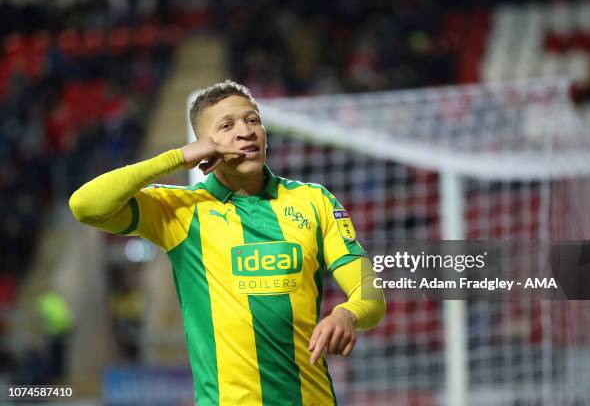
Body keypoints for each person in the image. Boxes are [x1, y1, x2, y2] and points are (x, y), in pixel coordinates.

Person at [69, 80, 385, 405]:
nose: (246, 131)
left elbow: (371, 294)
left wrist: (347, 314)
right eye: (226, 125)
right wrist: (177, 158)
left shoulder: (314, 201)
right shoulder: (179, 211)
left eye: (252, 120)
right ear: (204, 143)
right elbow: (86, 206)